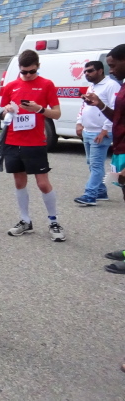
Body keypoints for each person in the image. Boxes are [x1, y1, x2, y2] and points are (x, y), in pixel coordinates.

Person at [2, 50, 64, 241]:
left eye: (32, 71)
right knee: (19, 182)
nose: (28, 75)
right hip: (13, 141)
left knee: (43, 184)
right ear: (19, 68)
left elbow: (57, 113)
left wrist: (39, 109)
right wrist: (7, 110)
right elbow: (2, 113)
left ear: (38, 66)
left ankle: (54, 221)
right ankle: (25, 220)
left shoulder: (46, 84)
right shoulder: (10, 86)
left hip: (36, 142)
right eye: (24, 72)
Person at [82, 45, 125, 275]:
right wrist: (99, 104)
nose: (111, 70)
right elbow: (118, 117)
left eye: (113, 65)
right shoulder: (123, 85)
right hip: (120, 148)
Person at [74, 60, 119, 205]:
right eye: (85, 71)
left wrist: (105, 130)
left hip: (100, 133)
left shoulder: (111, 85)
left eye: (90, 71)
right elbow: (84, 106)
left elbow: (115, 110)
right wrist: (79, 122)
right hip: (88, 131)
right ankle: (100, 191)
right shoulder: (92, 86)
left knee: (96, 165)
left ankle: (90, 195)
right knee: (91, 163)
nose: (87, 74)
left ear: (100, 71)